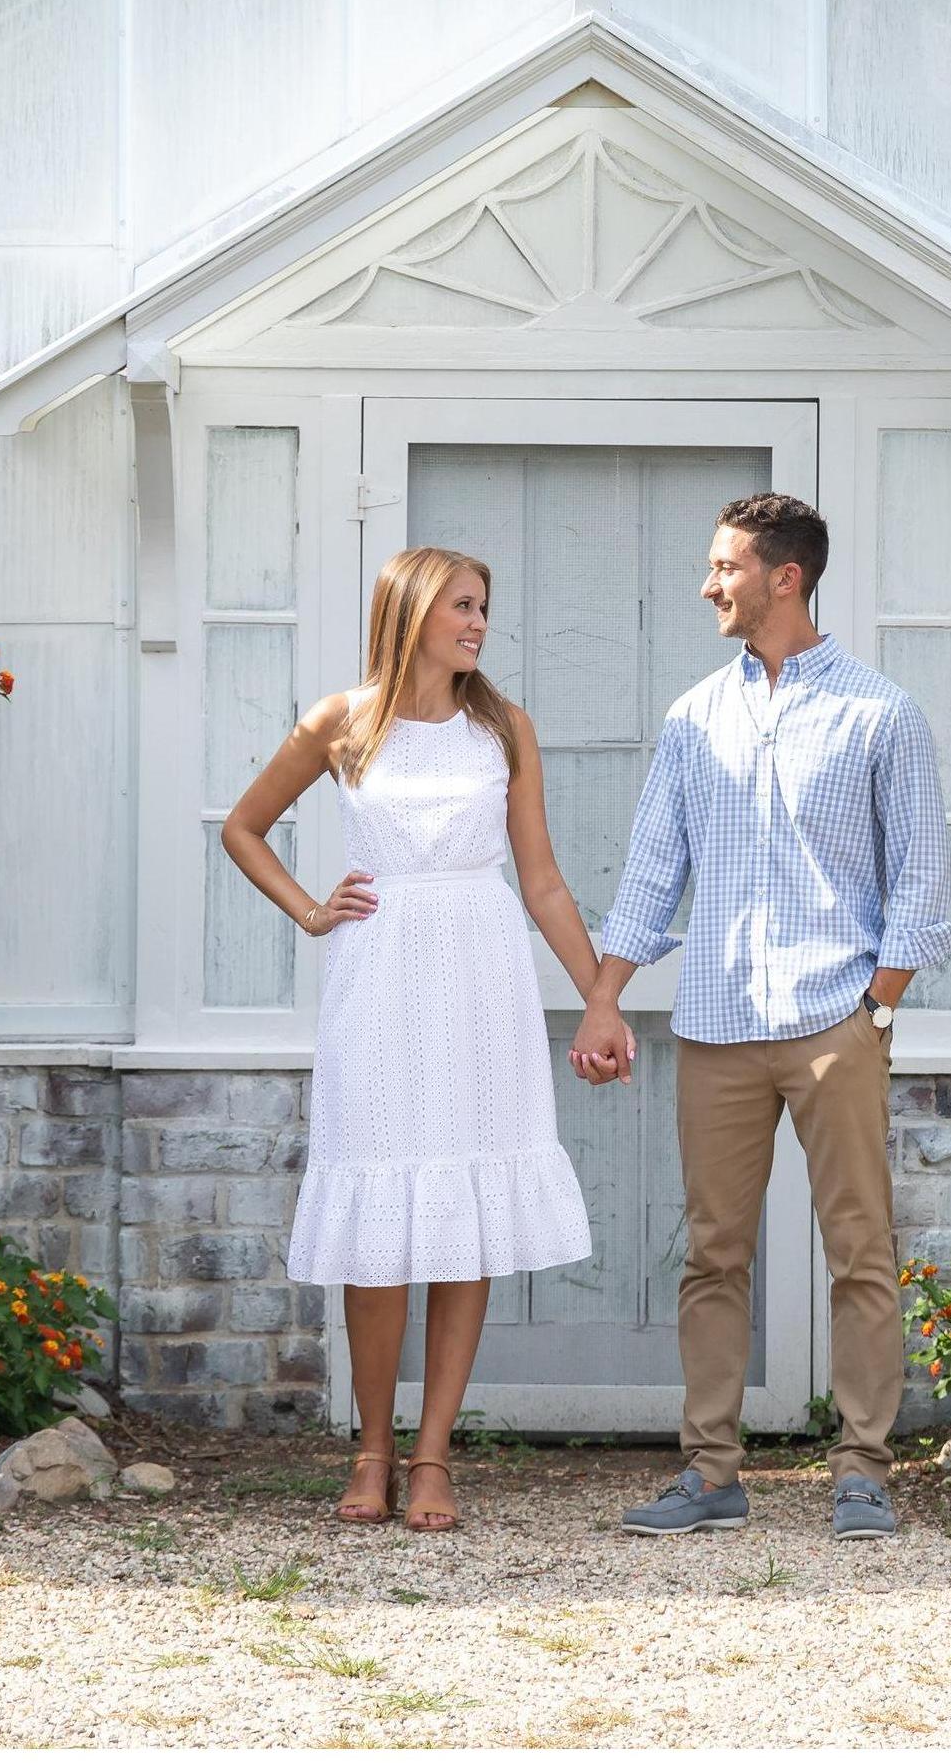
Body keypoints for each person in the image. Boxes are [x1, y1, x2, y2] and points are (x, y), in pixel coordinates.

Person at [567, 492, 951, 1542]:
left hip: (838, 1018)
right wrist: (606, 992)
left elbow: (921, 878)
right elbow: (653, 869)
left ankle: (863, 1470)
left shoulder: (881, 713)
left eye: (725, 566)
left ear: (786, 576)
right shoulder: (695, 717)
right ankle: (711, 1474)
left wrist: (879, 1008)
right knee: (712, 1254)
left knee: (859, 1252)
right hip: (717, 1023)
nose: (708, 584)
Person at [223, 544, 617, 1534]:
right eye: (461, 607)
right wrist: (312, 911)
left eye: (485, 606)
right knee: (377, 1222)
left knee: (461, 1212)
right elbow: (243, 828)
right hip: (378, 978)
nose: (479, 624)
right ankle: (371, 1449)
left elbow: (543, 883)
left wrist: (601, 998)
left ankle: (433, 1456)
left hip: (481, 982)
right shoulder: (342, 721)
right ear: (409, 614)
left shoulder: (504, 730)